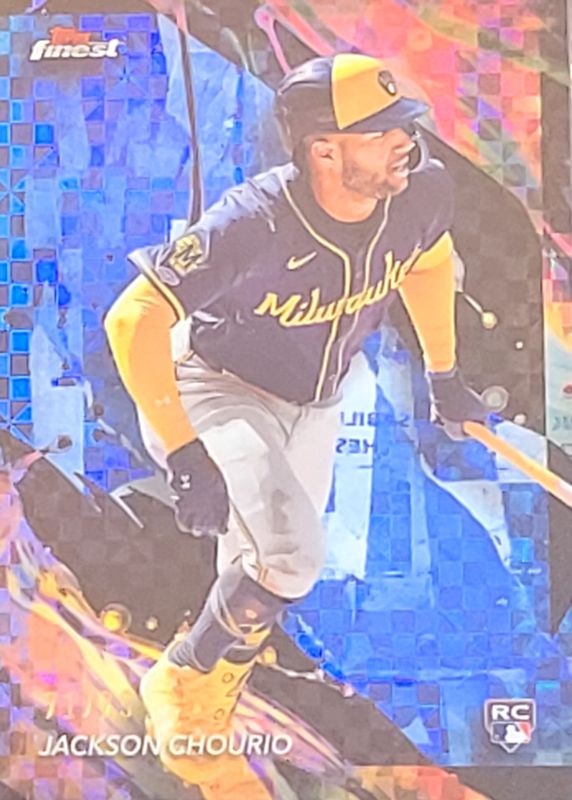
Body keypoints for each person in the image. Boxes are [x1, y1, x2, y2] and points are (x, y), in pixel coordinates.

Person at [104, 53, 486, 798]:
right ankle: (179, 681)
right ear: (325, 150)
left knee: (264, 568)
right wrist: (184, 450)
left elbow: (429, 263)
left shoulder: (421, 192)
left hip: (316, 400)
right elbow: (133, 317)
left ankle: (209, 696)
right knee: (290, 555)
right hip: (216, 387)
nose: (404, 142)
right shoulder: (255, 219)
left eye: (404, 125)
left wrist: (445, 376)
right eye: (381, 132)